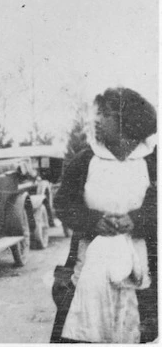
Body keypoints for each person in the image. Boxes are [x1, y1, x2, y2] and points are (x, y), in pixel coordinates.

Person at [51, 87, 157, 343]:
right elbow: (63, 203)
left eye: (106, 114)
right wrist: (94, 221)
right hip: (88, 267)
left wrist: (137, 219)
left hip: (141, 270)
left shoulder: (153, 163)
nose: (97, 120)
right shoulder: (86, 160)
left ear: (128, 121)